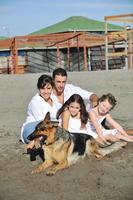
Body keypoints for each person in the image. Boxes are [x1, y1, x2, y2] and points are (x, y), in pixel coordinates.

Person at [21, 74, 60, 149]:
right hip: (31, 129)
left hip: (46, 130)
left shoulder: (54, 99)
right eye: (43, 88)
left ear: (52, 88)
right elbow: (42, 122)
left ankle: (38, 142)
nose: (46, 91)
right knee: (47, 123)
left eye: (48, 88)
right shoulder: (35, 101)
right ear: (39, 88)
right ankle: (34, 141)